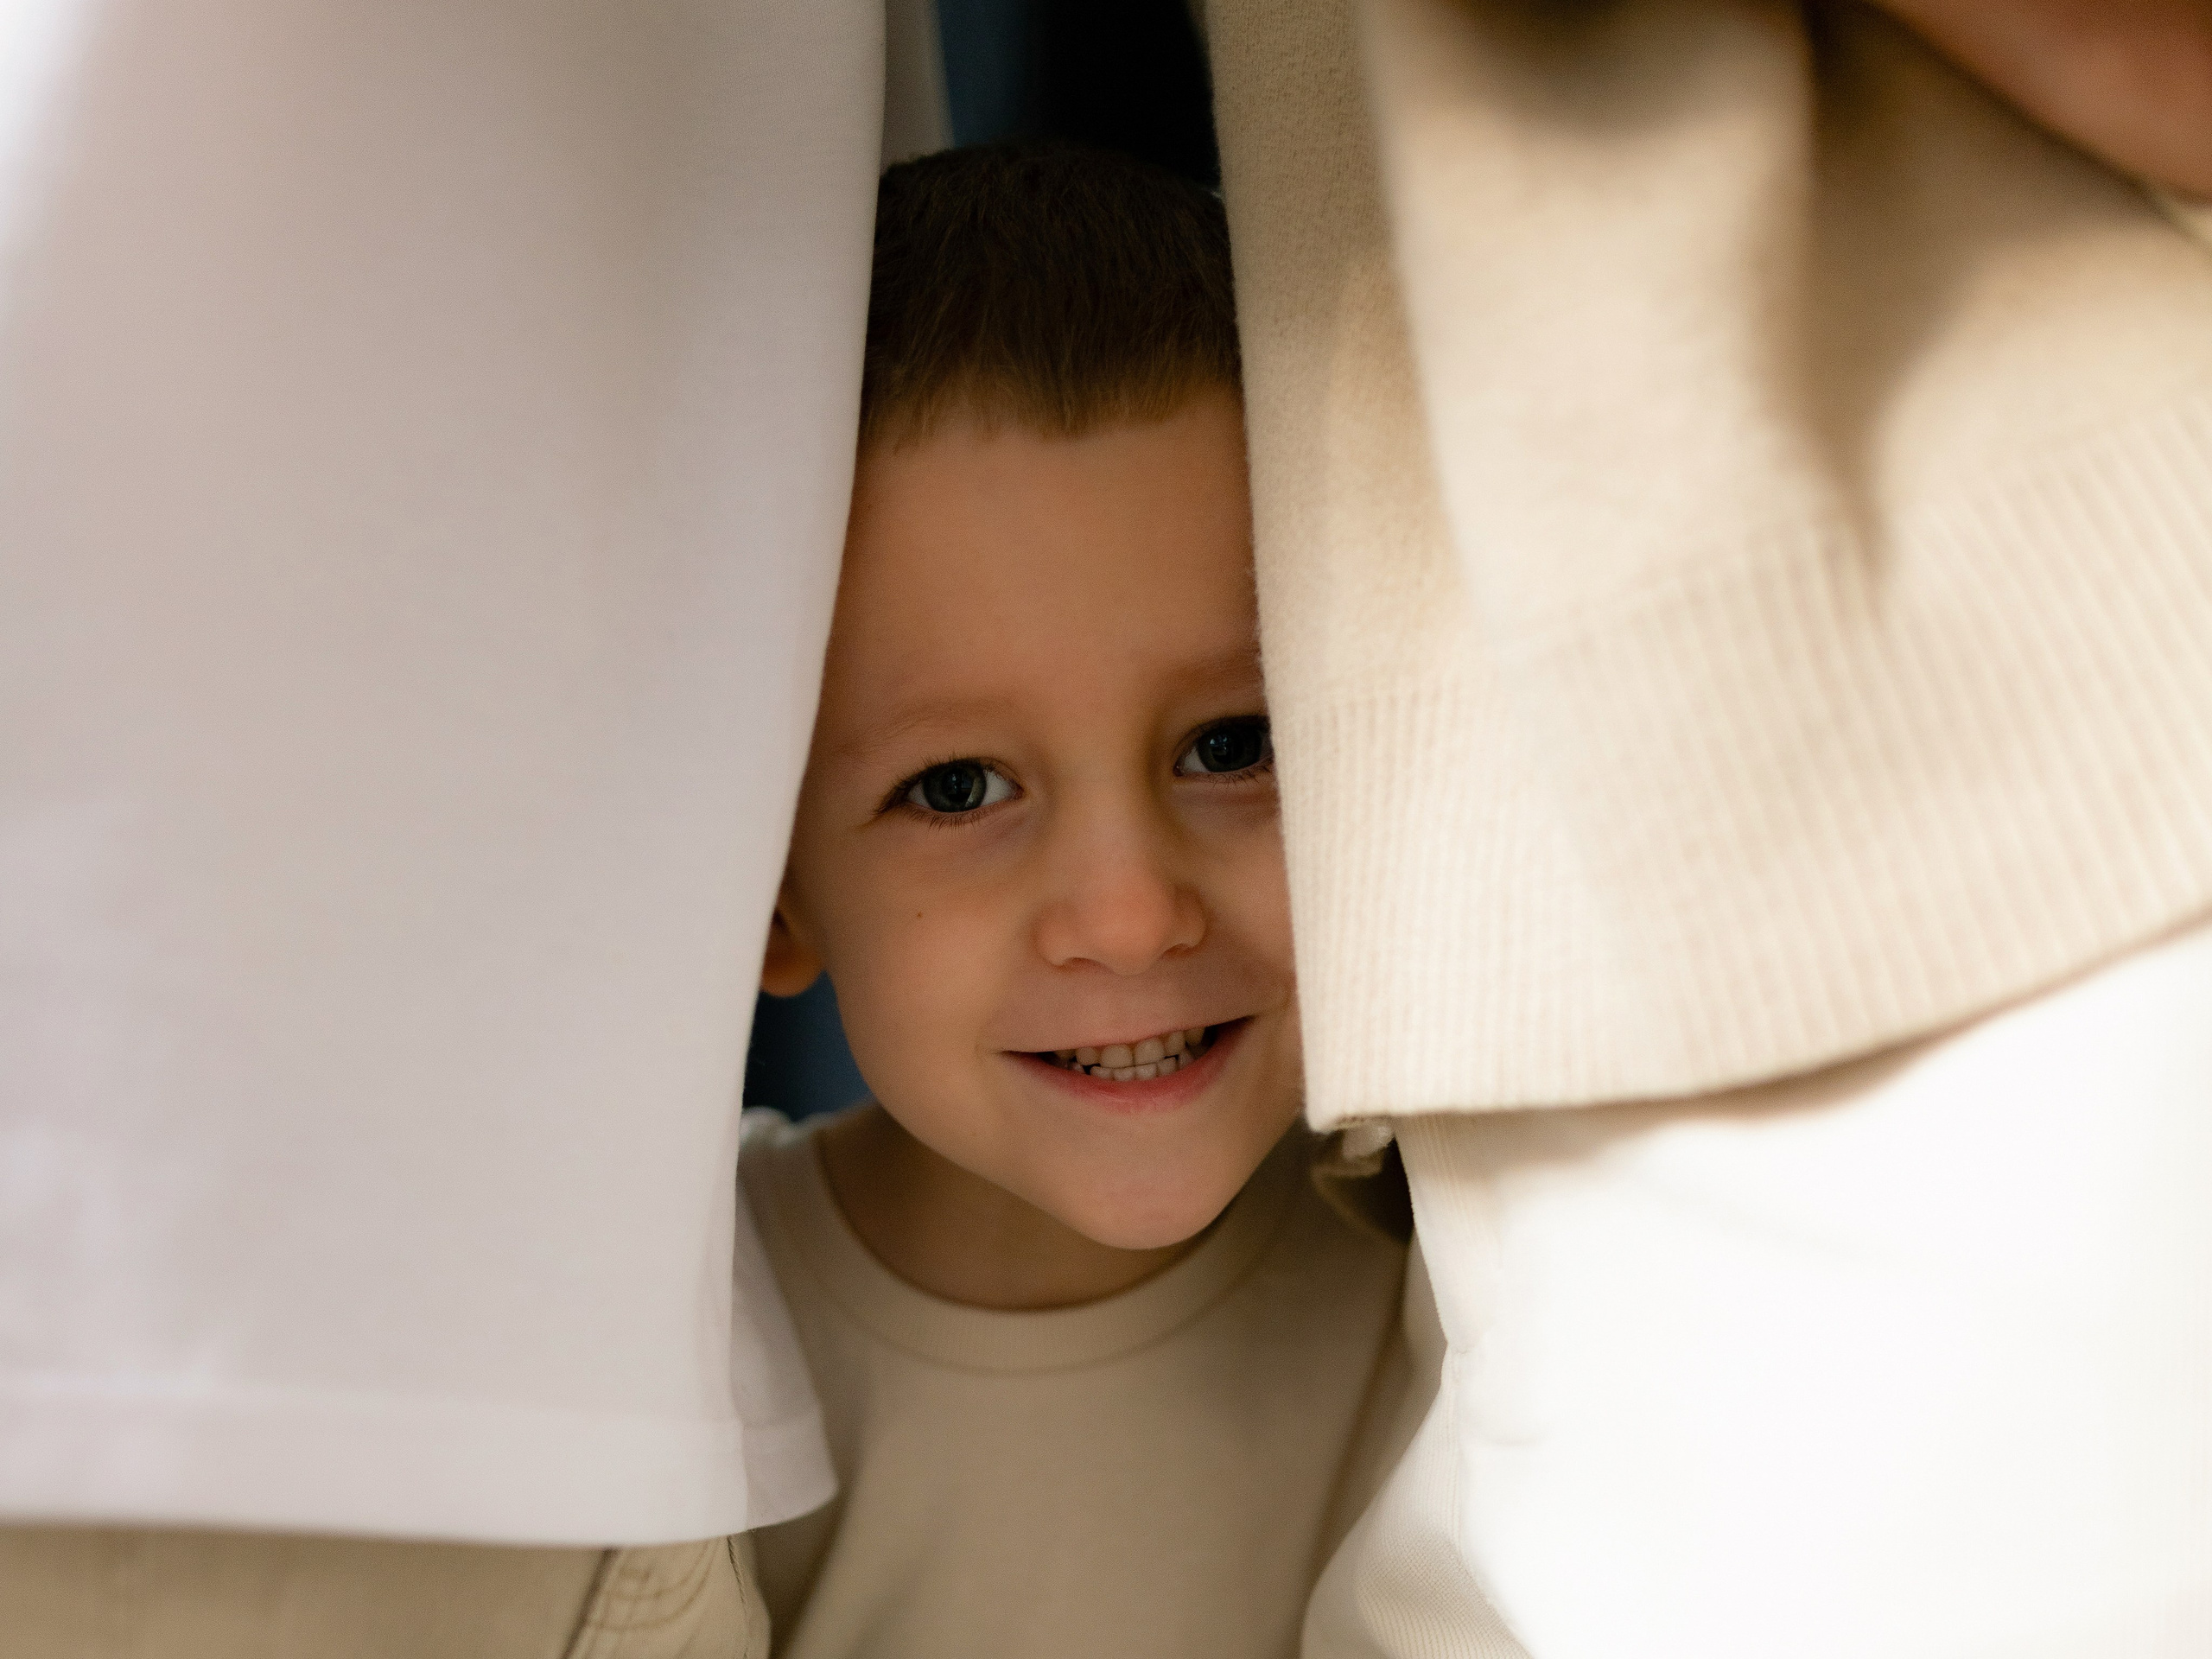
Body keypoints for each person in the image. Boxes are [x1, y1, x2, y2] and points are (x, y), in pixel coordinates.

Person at [736, 142, 1410, 1659]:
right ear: (769, 899)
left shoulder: (1473, 1281)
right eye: (960, 788)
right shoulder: (682, 1344)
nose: (1127, 915)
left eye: (1234, 746)